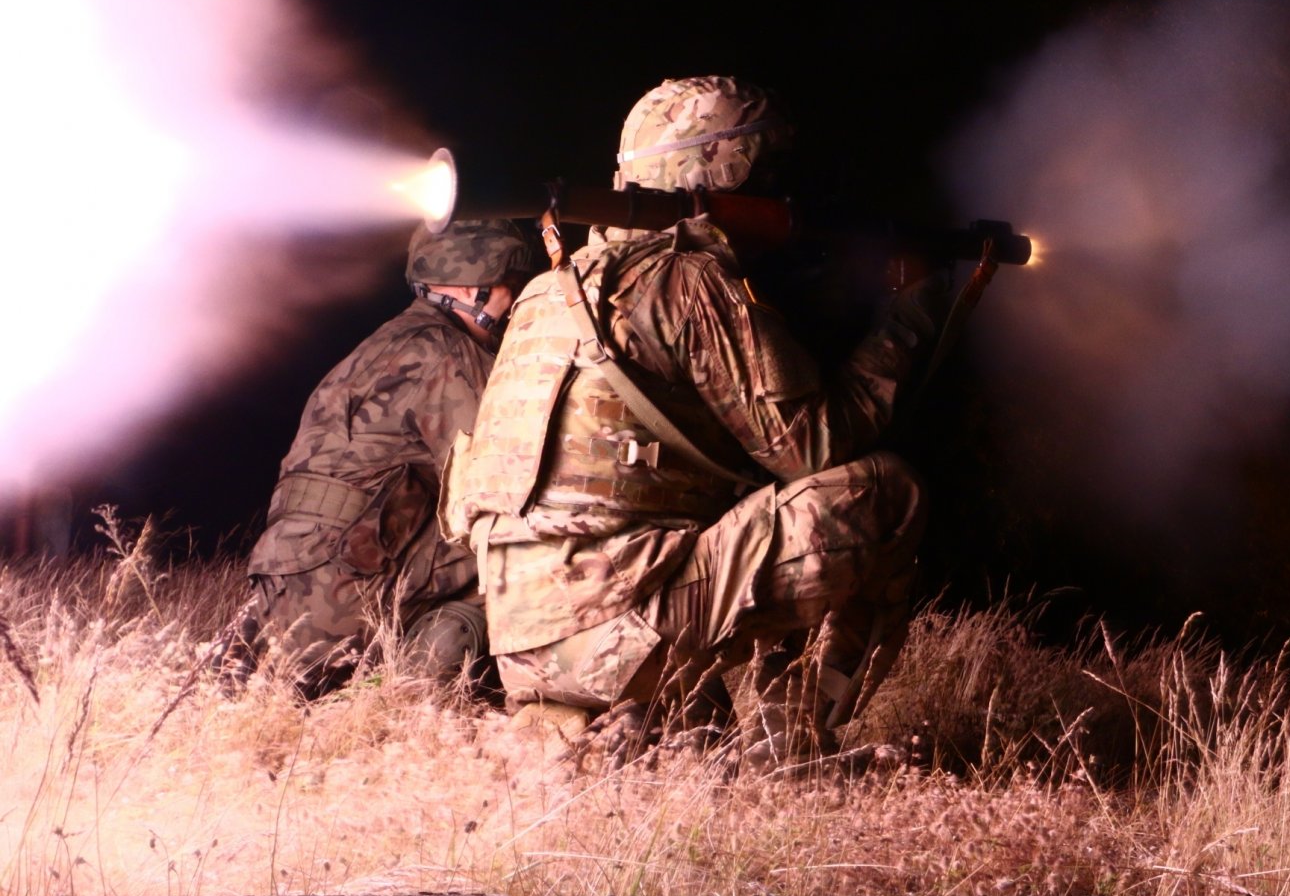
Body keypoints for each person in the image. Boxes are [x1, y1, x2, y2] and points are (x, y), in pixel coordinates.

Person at [441, 76, 945, 766]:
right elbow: (813, 448)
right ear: (730, 175)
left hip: (525, 646)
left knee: (743, 505)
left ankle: (646, 720)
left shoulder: (548, 290)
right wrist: (910, 316)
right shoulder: (688, 279)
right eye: (768, 177)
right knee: (882, 492)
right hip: (619, 633)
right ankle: (788, 750)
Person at [225, 218, 534, 696]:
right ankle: (410, 694)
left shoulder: (368, 350)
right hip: (350, 600)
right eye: (508, 290)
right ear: (477, 289)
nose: (512, 305)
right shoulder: (450, 355)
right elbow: (504, 481)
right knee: (528, 559)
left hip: (277, 595)